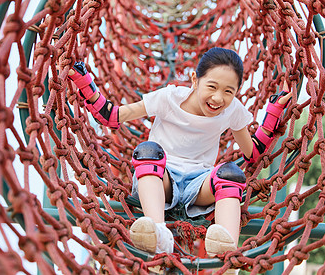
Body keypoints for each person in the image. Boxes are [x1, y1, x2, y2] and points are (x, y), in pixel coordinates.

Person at [66, 47, 291, 265]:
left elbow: (252, 153)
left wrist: (273, 113)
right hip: (160, 179)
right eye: (211, 86)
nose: (218, 98)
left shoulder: (232, 110)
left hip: (198, 186)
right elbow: (112, 116)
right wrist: (83, 82)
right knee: (148, 151)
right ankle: (158, 233)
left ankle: (227, 248)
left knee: (231, 173)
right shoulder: (168, 98)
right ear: (195, 80)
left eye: (228, 91)